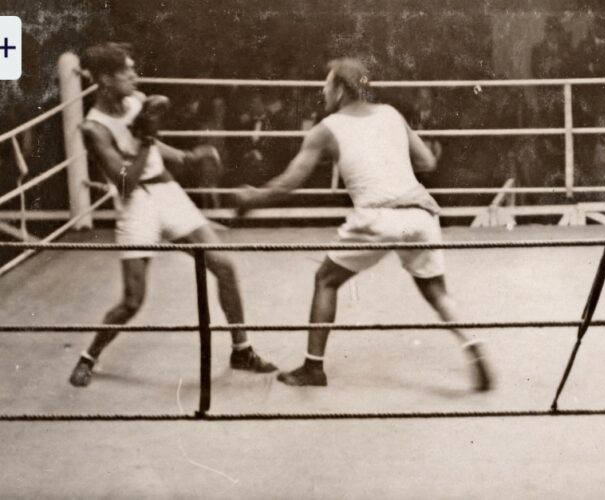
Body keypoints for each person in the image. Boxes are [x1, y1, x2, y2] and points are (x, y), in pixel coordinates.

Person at [234, 58, 492, 391]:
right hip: (421, 214)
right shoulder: (391, 114)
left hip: (377, 217)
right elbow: (427, 161)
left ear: (341, 89)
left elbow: (290, 182)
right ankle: (471, 345)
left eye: (327, 84)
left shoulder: (326, 129)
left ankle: (313, 369)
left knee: (326, 279)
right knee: (435, 291)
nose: (322, 89)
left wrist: (252, 199)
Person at [68, 42, 276, 387]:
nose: (135, 75)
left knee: (224, 267)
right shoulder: (94, 128)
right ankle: (89, 356)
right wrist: (147, 140)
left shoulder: (136, 101)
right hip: (135, 204)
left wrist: (187, 157)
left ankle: (242, 349)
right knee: (133, 300)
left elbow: (152, 148)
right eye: (127, 71)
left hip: (168, 192)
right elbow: (125, 183)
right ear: (105, 78)